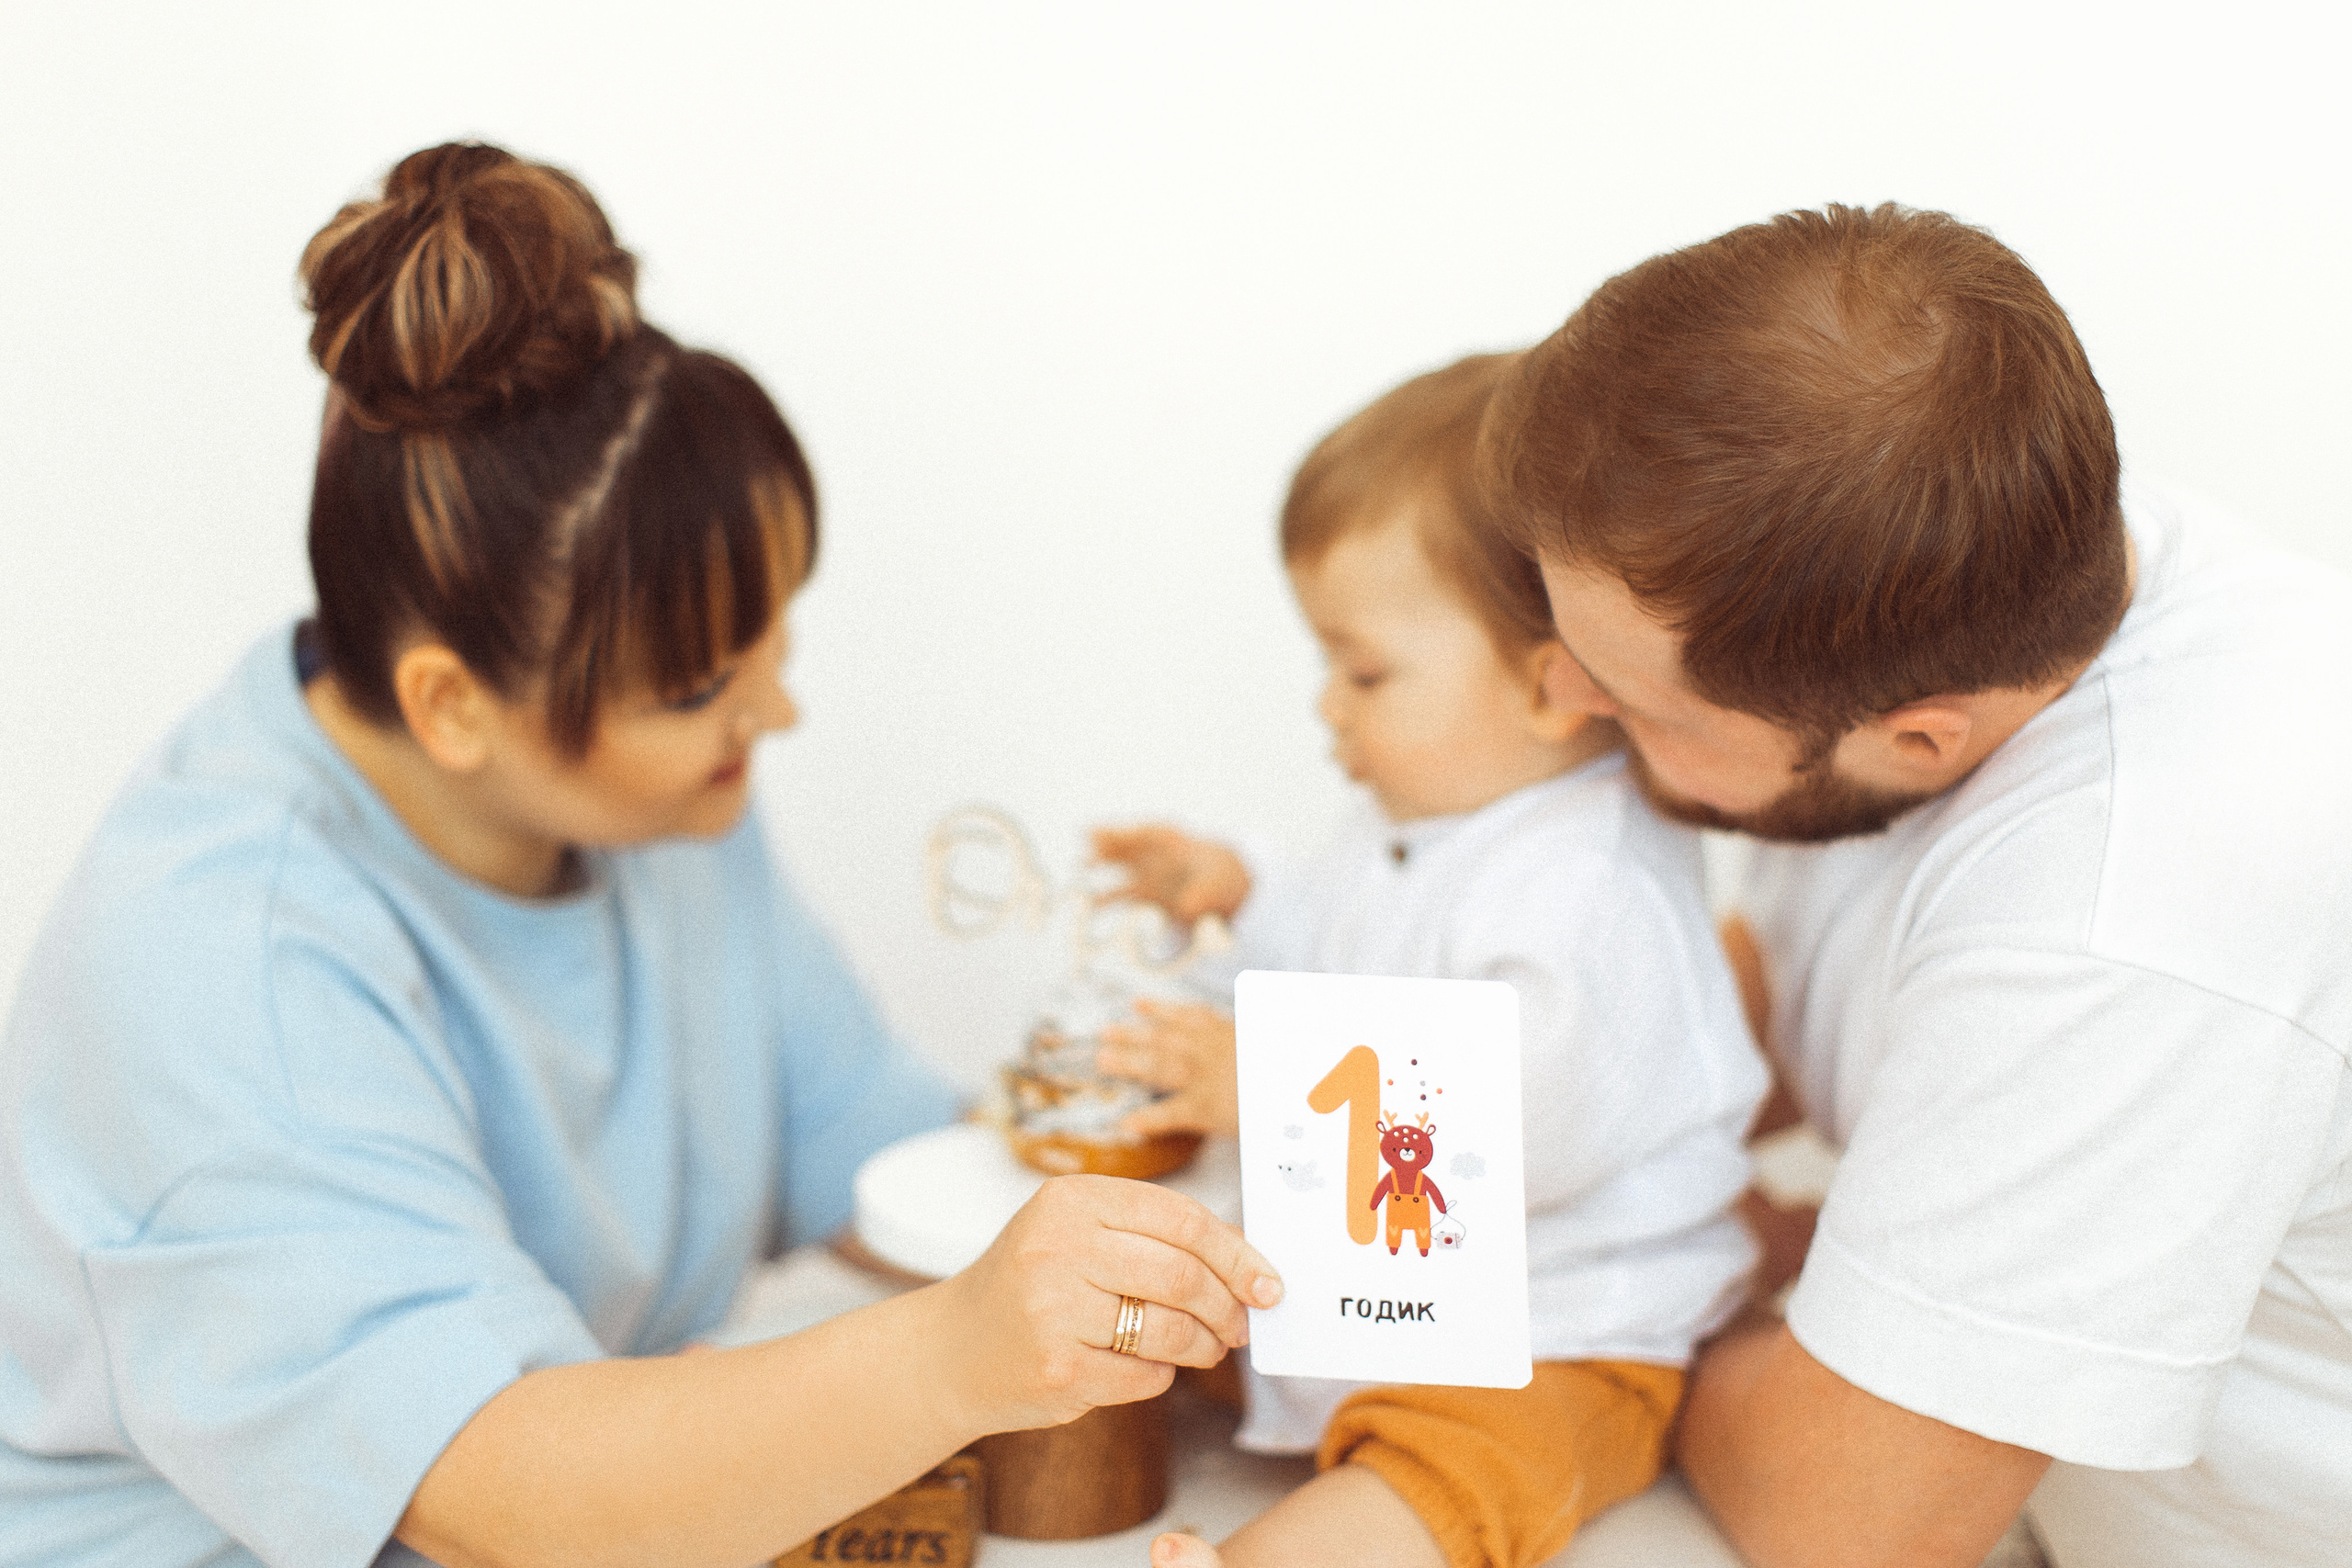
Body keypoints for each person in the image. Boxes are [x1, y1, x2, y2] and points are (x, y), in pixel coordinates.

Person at [0, 142, 1282, 1568]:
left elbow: (875, 1160)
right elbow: (490, 1487)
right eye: (698, 692)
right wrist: (950, 1356)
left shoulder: (657, 807)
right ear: (450, 704)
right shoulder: (218, 967)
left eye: (769, 648)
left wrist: (1193, 1230)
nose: (773, 715)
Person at [1478, 204, 2352, 1568]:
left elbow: (1850, 1516)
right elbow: (1791, 996)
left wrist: (1605, 1298)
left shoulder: (2132, 911)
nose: (1562, 700)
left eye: (1639, 704)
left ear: (1920, 738)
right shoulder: (1967, 572)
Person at [1092, 355, 1768, 1568]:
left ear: (1553, 686)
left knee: (1457, 1468)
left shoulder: (1593, 883)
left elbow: (1521, 1115)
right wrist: (1237, 892)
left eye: (1363, 673)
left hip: (1551, 1333)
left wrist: (1267, 1085)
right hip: (1378, 1300)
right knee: (1145, 1318)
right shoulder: (1418, 825)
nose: (1328, 709)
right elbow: (1330, 944)